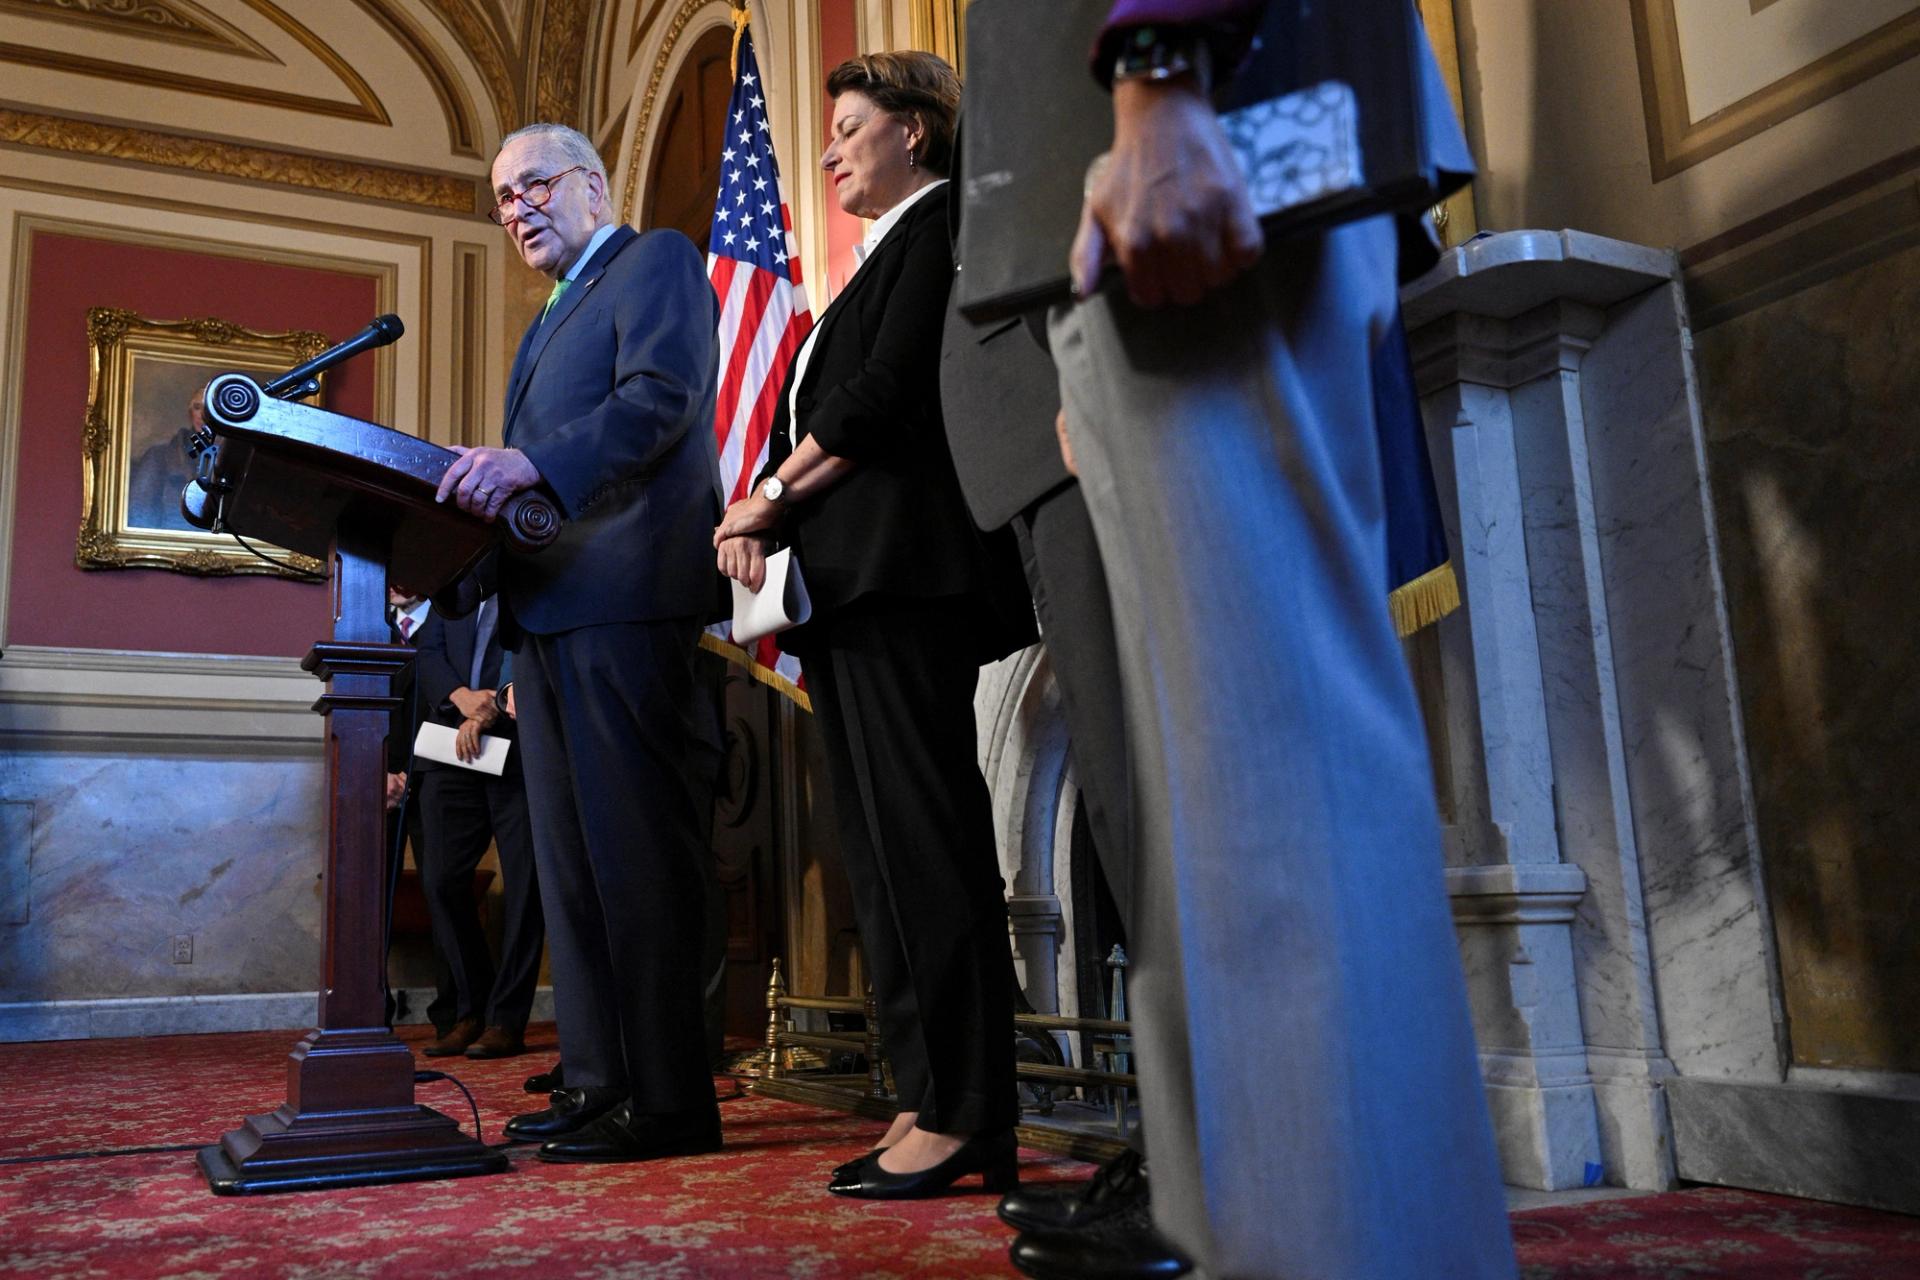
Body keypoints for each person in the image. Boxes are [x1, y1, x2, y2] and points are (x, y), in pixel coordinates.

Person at [962, 3, 1520, 1277]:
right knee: (1226, 827)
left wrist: (1162, 61)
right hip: (1164, 143)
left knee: (1268, 800)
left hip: (1199, 123)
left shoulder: (1167, 84)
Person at [712, 51, 1036, 1200]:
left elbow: (884, 397)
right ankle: (920, 1093)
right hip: (846, 590)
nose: (832, 146)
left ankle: (967, 1109)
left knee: (928, 846)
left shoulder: (941, 223)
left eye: (852, 125)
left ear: (917, 130)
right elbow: (813, 412)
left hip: (910, 580)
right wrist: (758, 504)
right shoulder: (862, 264)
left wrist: (768, 497)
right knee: (882, 856)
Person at [435, 121, 725, 1165]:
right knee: (570, 869)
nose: (516, 208)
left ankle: (670, 1098)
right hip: (546, 616)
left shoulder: (655, 261)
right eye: (501, 197)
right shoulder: (546, 319)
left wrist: (528, 465)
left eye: (533, 185)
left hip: (627, 599)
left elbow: (661, 401)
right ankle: (602, 1082)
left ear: (593, 185)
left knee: (637, 859)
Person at [410, 592, 544, 1061]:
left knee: (527, 886)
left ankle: (507, 1018)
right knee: (442, 879)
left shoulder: (534, 572)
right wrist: (460, 698)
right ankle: (471, 1009)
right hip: (452, 745)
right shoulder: (455, 586)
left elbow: (537, 645)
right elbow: (427, 651)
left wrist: (494, 703)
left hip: (523, 746)